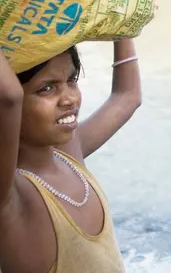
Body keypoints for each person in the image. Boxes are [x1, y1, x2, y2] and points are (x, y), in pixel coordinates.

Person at [0, 40, 141, 272]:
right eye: (46, 88)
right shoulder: (12, 196)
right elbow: (9, 97)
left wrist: (123, 26)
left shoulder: (68, 155)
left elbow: (128, 96)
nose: (69, 99)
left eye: (71, 80)